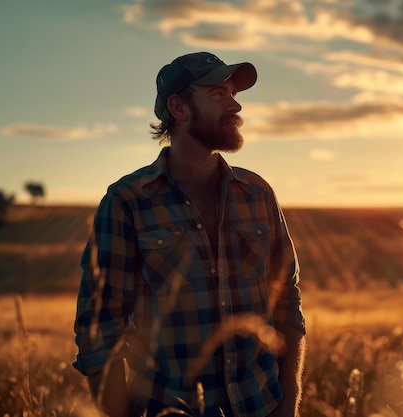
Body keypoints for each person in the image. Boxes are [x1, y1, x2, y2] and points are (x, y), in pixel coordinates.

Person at [73, 52, 306, 417]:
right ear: (179, 107)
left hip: (262, 405)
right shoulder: (127, 201)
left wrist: (288, 401)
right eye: (218, 93)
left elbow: (287, 302)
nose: (235, 103)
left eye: (233, 92)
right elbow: (99, 331)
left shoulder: (258, 193)